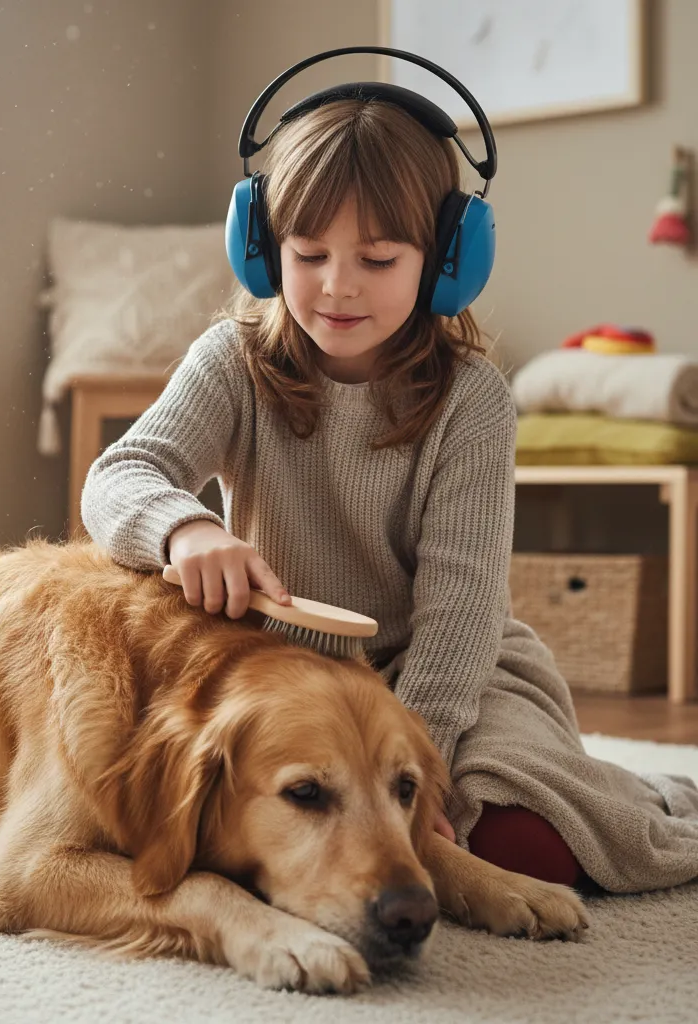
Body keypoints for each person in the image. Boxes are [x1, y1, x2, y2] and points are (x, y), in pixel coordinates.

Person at [81, 59, 698, 895]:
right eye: (308, 253)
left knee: (527, 844)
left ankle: (648, 795)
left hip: (450, 673)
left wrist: (420, 768)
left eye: (377, 259)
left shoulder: (473, 400)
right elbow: (121, 474)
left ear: (445, 260)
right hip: (293, 680)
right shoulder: (231, 360)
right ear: (262, 249)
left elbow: (461, 607)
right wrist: (183, 527)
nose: (337, 286)